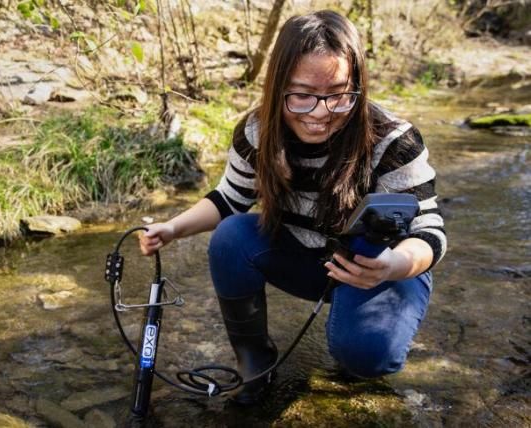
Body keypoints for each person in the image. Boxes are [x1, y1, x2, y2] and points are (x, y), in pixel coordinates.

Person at [138, 10, 446, 405]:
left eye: (338, 94)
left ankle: (363, 338)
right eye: (301, 95)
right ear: (276, 86)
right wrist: (173, 228)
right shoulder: (257, 130)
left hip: (383, 265)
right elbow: (229, 199)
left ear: (358, 86)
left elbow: (429, 231)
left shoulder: (392, 140)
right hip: (307, 259)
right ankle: (256, 365)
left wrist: (394, 266)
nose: (320, 113)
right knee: (231, 237)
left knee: (365, 359)